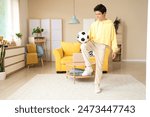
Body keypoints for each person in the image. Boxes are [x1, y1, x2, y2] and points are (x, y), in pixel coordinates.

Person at [81, 4, 119, 93]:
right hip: (93, 42)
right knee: (83, 46)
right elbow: (89, 36)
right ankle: (89, 68)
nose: (97, 16)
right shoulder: (94, 24)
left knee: (99, 66)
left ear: (104, 13)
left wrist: (114, 50)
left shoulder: (110, 24)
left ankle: (97, 85)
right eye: (96, 14)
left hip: (101, 46)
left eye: (99, 14)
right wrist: (84, 40)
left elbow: (113, 38)